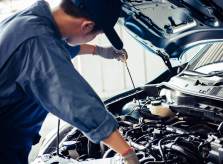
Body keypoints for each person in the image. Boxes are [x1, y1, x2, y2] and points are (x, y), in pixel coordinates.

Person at [0, 0, 139, 163]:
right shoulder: (38, 41)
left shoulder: (31, 18)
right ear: (87, 26)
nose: (94, 38)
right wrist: (128, 154)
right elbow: (77, 102)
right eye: (97, 34)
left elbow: (57, 46)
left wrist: (99, 51)